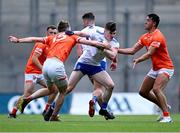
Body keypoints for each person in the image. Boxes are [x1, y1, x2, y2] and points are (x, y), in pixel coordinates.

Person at [8, 20, 112, 121]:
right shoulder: (72, 36)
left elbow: (34, 38)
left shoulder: (52, 37)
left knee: (53, 90)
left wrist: (18, 40)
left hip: (46, 66)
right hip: (56, 65)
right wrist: (103, 45)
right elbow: (89, 42)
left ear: (59, 29)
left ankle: (28, 98)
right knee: (63, 91)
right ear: (68, 29)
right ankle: (54, 116)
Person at [118, 13, 174, 123]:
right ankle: (164, 106)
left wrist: (138, 60)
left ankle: (167, 117)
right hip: (156, 68)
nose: (145, 22)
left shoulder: (158, 36)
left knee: (156, 89)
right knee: (143, 92)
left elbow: (149, 54)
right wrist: (116, 50)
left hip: (166, 67)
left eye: (148, 20)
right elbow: (132, 50)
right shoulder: (145, 37)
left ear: (154, 23)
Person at [65, 20, 119, 120]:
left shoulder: (114, 43)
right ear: (105, 31)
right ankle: (51, 106)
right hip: (83, 63)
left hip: (95, 66)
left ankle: (103, 108)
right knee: (68, 88)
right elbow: (82, 33)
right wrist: (71, 32)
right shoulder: (96, 33)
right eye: (110, 33)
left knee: (110, 85)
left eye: (114, 33)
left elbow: (113, 55)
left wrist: (103, 49)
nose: (112, 35)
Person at [8, 25, 58, 118]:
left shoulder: (54, 45)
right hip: (32, 71)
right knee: (28, 93)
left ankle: (46, 110)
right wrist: (44, 69)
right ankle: (13, 112)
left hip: (42, 72)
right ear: (47, 33)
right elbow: (34, 59)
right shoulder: (41, 43)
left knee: (54, 89)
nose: (53, 34)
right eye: (51, 32)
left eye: (55, 33)